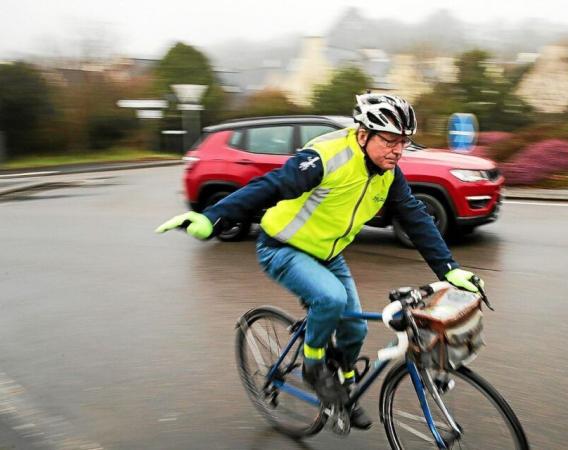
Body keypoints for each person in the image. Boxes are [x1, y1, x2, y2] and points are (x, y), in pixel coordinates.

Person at [156, 93, 484, 430]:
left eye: (404, 142)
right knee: (331, 299)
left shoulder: (388, 174)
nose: (398, 150)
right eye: (389, 140)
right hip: (282, 248)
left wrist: (449, 268)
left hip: (328, 254)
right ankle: (314, 367)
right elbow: (271, 185)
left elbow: (415, 218)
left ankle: (339, 391)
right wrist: (213, 217)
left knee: (354, 329)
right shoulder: (326, 158)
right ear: (363, 134)